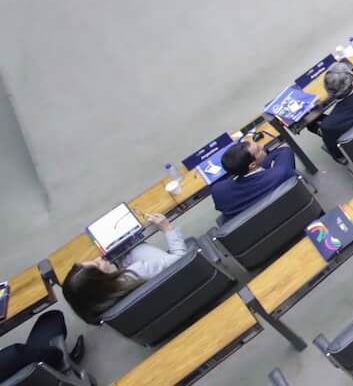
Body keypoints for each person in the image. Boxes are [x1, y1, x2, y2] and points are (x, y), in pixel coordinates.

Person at [60, 211, 190, 322]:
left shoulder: (96, 305)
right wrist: (167, 227)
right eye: (97, 264)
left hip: (154, 315)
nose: (99, 258)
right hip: (181, 285)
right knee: (137, 250)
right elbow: (181, 258)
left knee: (125, 256)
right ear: (100, 281)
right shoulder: (137, 272)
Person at [211, 137, 297, 220]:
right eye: (258, 150)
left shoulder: (218, 192)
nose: (262, 146)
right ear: (252, 165)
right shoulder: (280, 173)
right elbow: (283, 151)